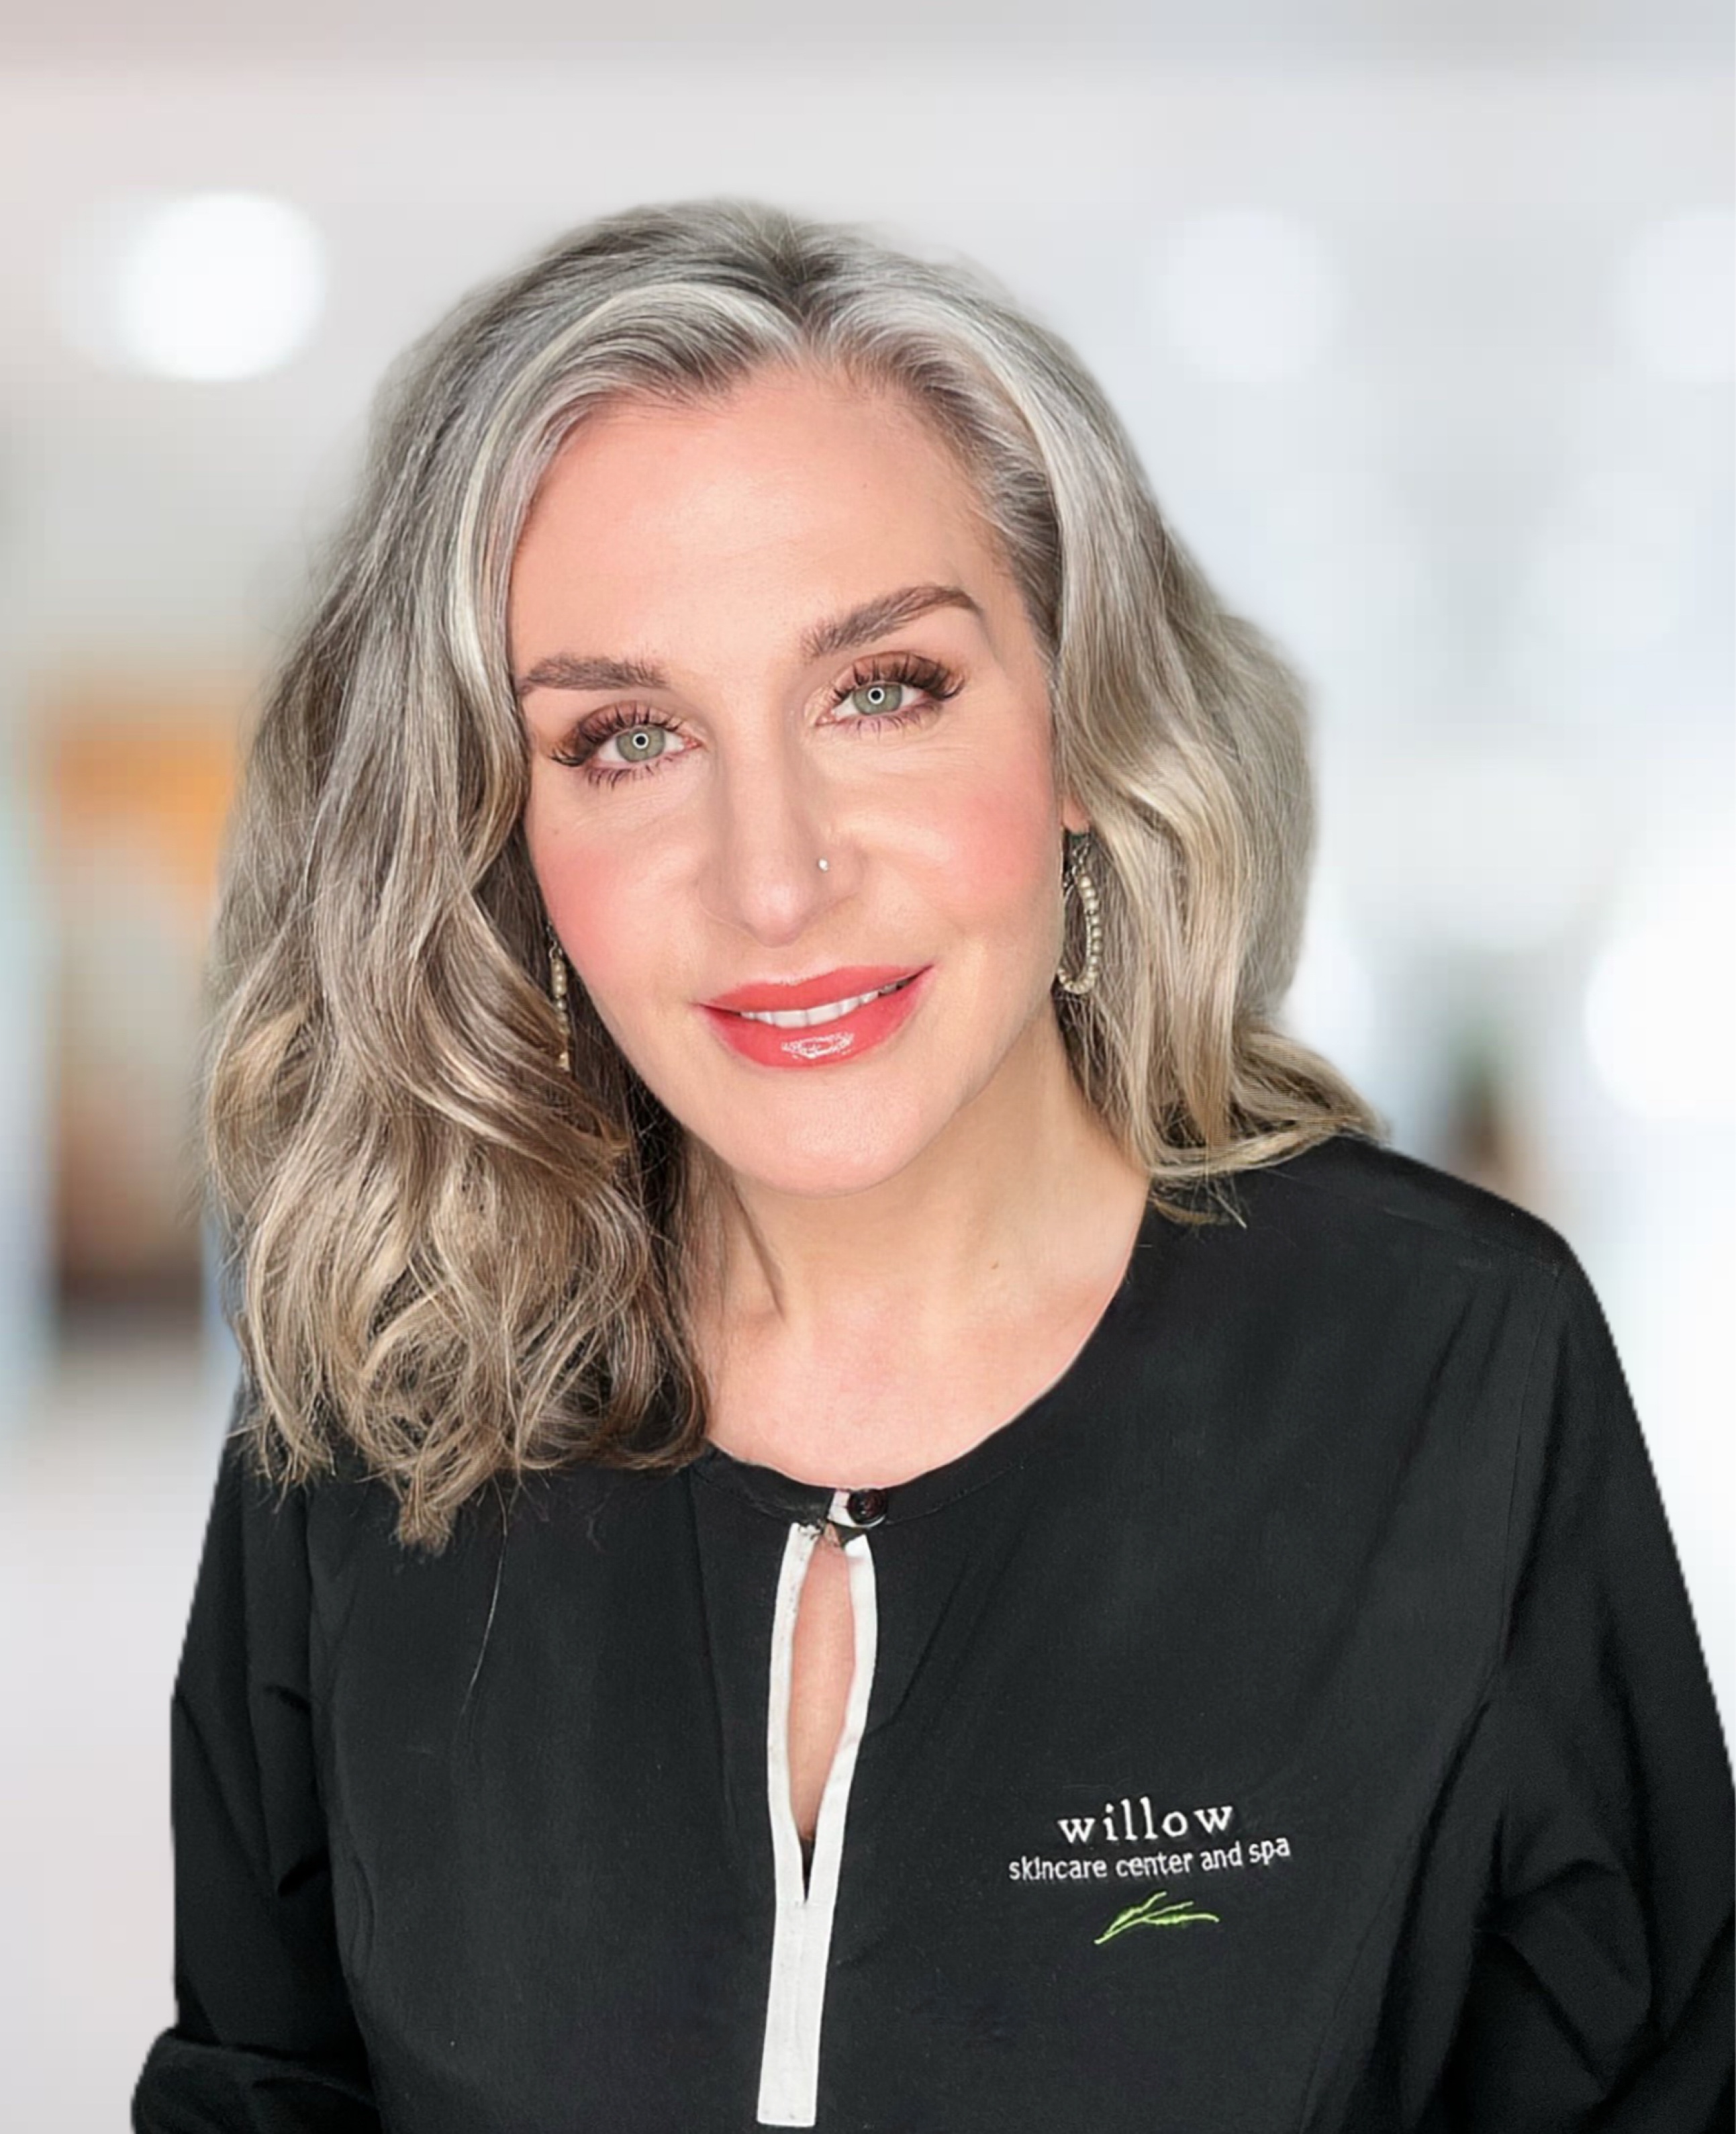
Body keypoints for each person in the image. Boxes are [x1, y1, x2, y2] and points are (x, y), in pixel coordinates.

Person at [132, 198, 1732, 2133]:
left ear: (1082, 731)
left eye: (882, 688)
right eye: (626, 738)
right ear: (499, 833)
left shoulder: (1448, 1363)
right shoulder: (388, 1393)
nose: (774, 877)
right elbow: (258, 2083)